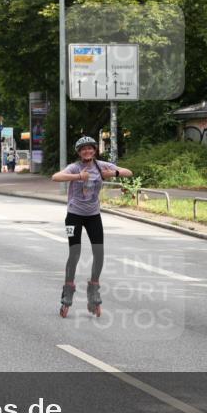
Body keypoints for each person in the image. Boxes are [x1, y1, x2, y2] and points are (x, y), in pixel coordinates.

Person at [51, 136, 133, 317]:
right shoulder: (75, 167)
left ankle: (93, 289)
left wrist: (113, 173)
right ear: (79, 153)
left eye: (90, 148)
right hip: (74, 215)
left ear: (95, 150)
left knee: (99, 253)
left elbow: (129, 172)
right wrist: (78, 176)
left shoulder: (101, 166)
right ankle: (68, 289)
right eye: (83, 149)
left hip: (93, 215)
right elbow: (55, 177)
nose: (87, 151)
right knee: (75, 253)